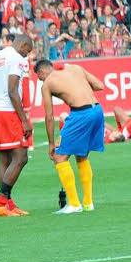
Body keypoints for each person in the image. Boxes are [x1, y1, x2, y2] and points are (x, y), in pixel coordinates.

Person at [36, 59, 106, 214]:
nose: (41, 80)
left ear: (42, 72)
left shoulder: (47, 83)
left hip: (81, 113)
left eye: (39, 77)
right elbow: (99, 85)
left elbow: (49, 116)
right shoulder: (75, 67)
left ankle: (74, 203)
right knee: (82, 156)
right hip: (97, 111)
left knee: (59, 157)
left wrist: (51, 143)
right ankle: (88, 203)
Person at [0, 34, 35, 216]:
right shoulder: (16, 58)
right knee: (21, 157)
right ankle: (0, 202)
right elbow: (13, 91)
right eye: (27, 51)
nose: (26, 56)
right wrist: (23, 120)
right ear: (22, 44)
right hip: (8, 111)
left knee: (5, 158)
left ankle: (8, 204)